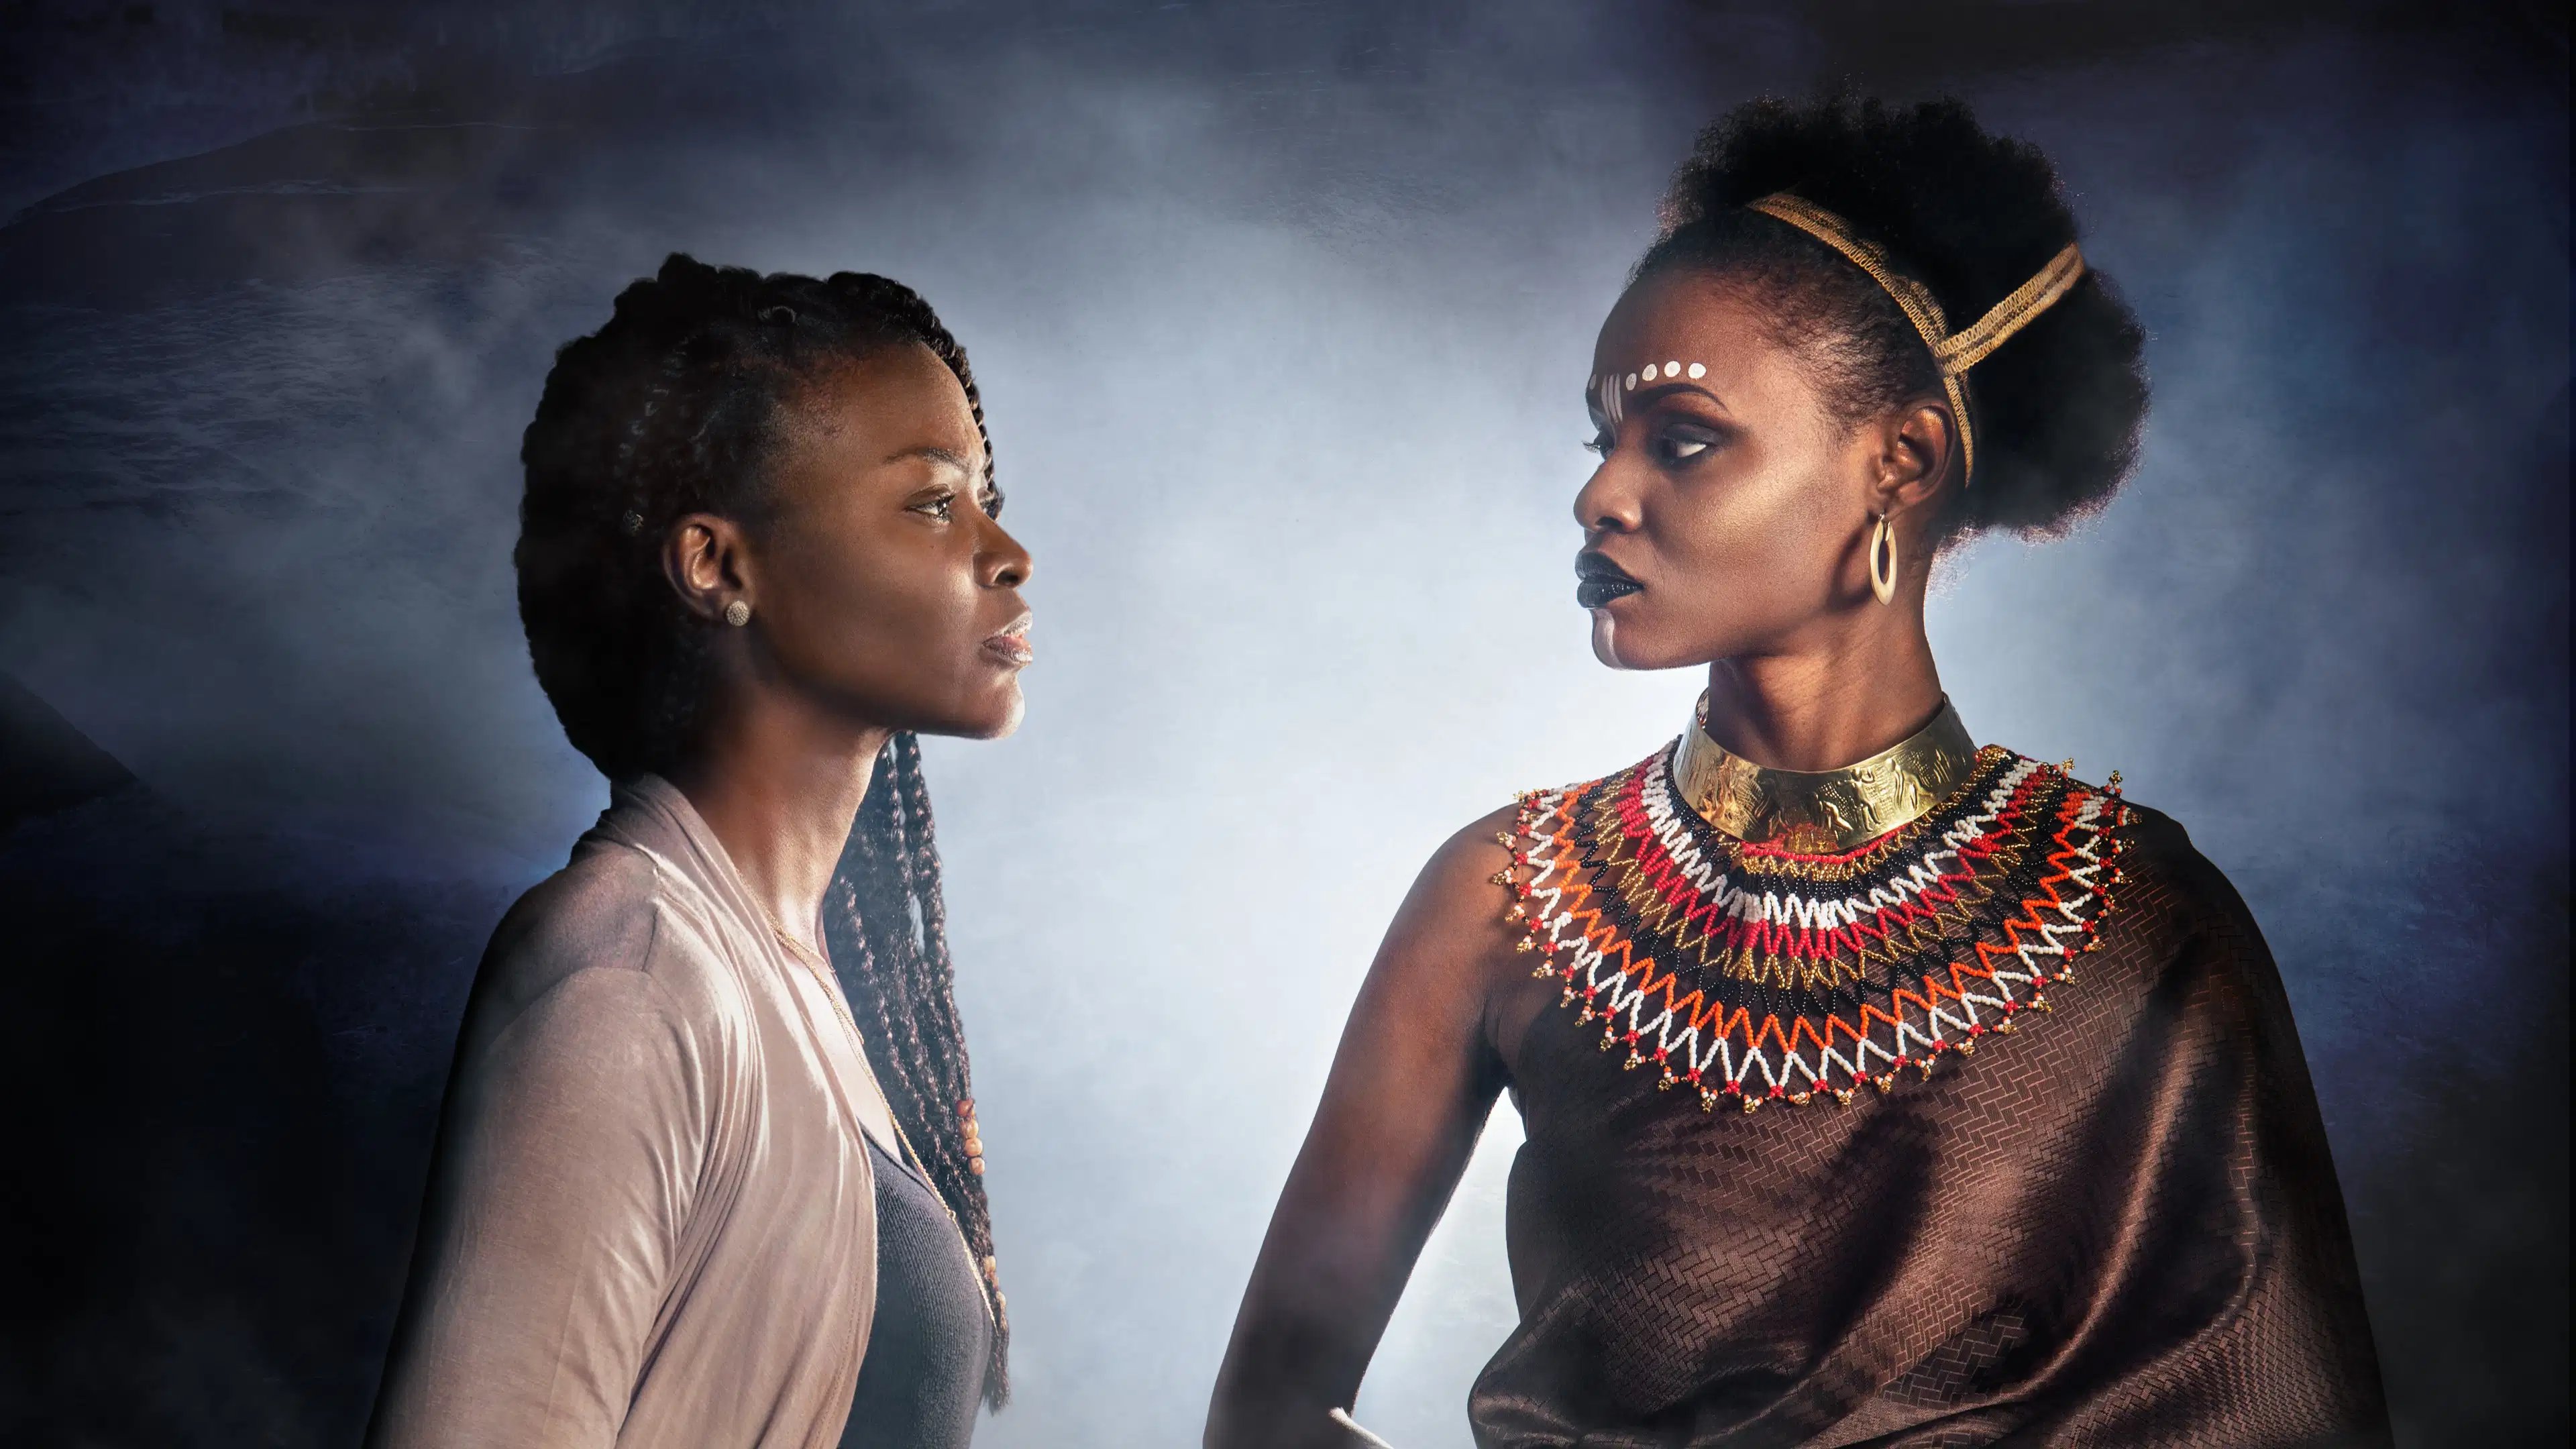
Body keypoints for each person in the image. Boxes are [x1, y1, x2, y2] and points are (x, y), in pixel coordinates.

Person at [1208, 97, 2389, 1448]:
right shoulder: (1499, 897)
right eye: (1602, 439)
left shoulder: (2138, 921)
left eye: (1683, 438)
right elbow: (1267, 1418)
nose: (1604, 495)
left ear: (1902, 461)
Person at [368, 255, 1030, 1449]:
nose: (1005, 551)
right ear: (718, 566)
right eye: (935, 503)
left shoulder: (791, 978)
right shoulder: (626, 979)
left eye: (984, 496)